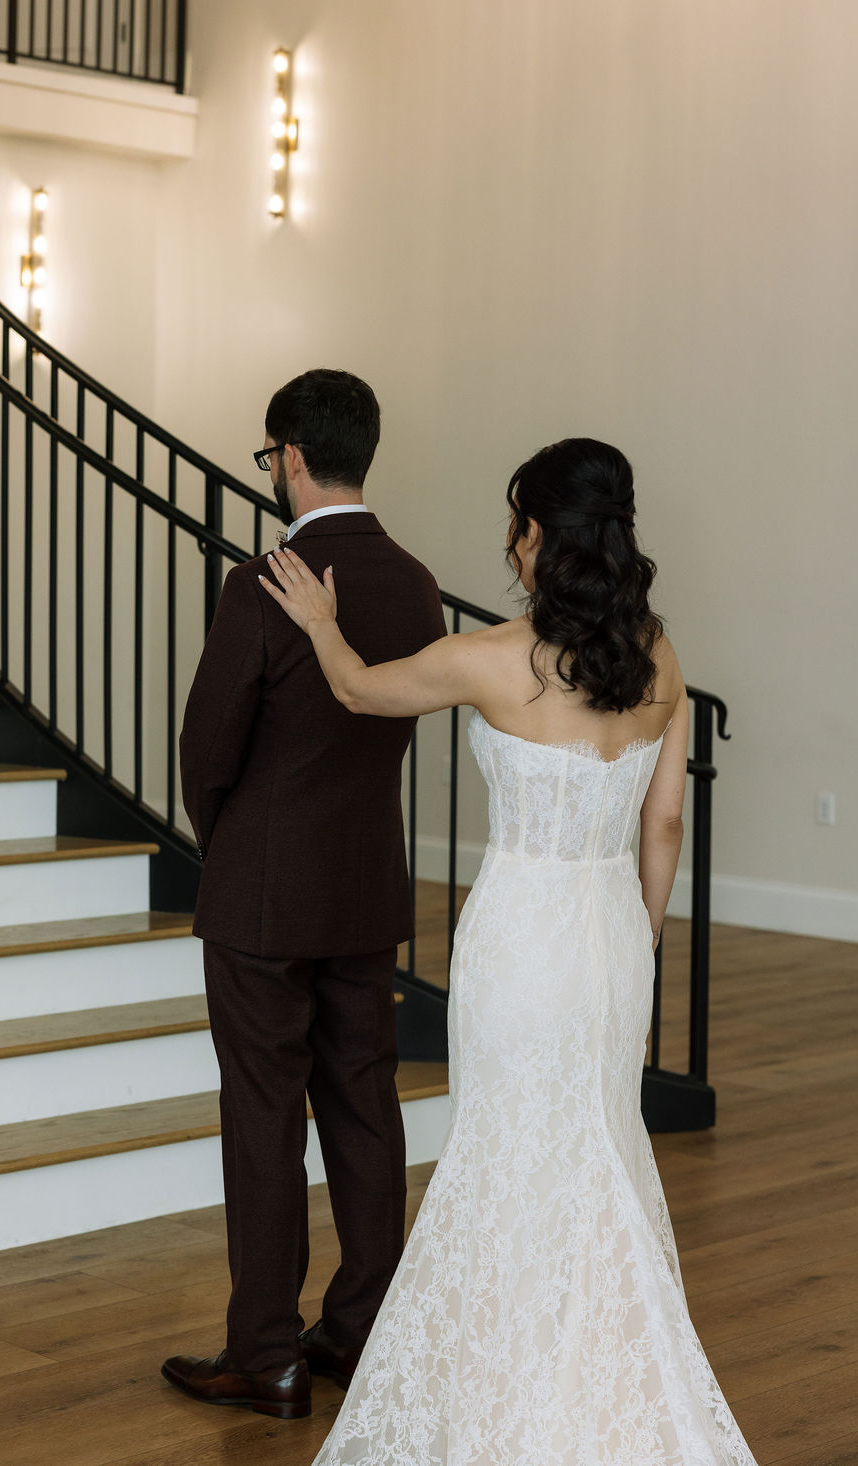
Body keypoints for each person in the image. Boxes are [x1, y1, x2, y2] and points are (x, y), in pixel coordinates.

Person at [261, 438, 758, 1465]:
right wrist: (639, 933)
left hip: (523, 940)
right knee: (599, 1161)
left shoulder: (491, 656)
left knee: (501, 1163)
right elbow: (662, 827)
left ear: (535, 535)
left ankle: (503, 1413)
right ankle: (597, 1405)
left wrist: (318, 620)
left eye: (515, 521)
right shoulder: (659, 655)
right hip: (611, 941)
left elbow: (356, 689)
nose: (509, 539)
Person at [164, 369, 447, 1422]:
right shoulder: (415, 582)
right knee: (364, 1104)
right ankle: (365, 1322)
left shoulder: (265, 581)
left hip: (264, 891)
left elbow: (207, 745)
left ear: (288, 453)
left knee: (263, 1112)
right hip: (367, 879)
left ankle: (266, 1351)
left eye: (267, 457)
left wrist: (228, 840)